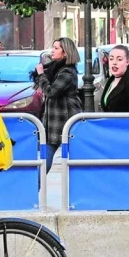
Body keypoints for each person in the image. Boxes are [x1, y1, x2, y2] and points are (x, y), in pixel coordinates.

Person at [33, 37, 82, 173]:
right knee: (47, 154)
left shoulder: (67, 72)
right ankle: (35, 187)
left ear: (65, 52)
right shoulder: (55, 68)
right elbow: (40, 86)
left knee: (75, 156)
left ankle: (78, 189)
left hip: (65, 117)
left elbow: (51, 91)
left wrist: (41, 75)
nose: (52, 51)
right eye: (53, 47)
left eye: (56, 48)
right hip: (53, 119)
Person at [100, 45, 129, 112]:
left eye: (119, 59)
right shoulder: (111, 80)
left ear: (127, 62)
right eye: (111, 59)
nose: (114, 63)